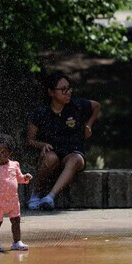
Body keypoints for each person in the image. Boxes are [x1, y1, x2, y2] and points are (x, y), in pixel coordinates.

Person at [26, 71, 101, 211]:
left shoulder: (77, 105)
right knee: (51, 158)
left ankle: (50, 197)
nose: (68, 92)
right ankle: (35, 195)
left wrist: (88, 125)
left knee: (76, 159)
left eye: (69, 88)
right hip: (52, 153)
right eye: (63, 89)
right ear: (51, 92)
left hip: (73, 152)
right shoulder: (40, 113)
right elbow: (29, 140)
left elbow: (96, 106)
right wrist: (41, 144)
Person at [0, 134, 32, 253]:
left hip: (13, 200)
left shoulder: (15, 165)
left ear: (9, 153)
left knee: (16, 221)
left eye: (3, 152)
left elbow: (19, 178)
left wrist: (25, 178)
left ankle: (17, 242)